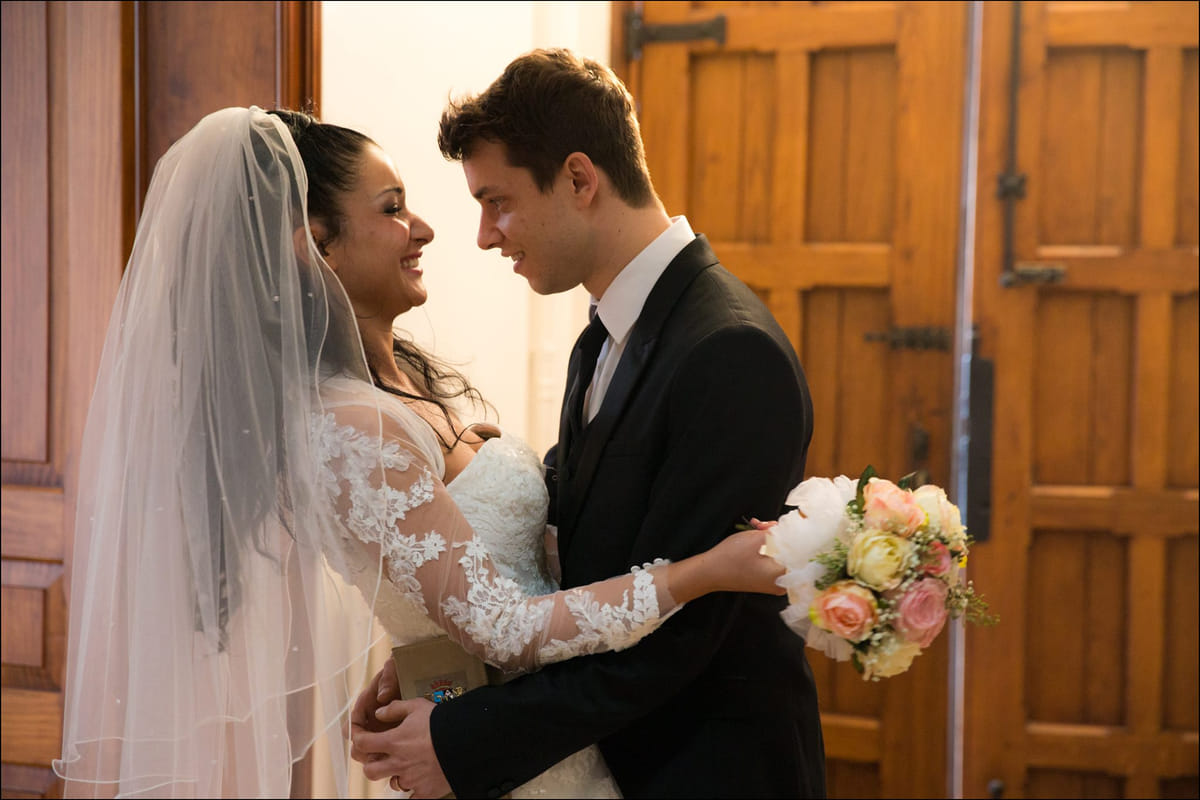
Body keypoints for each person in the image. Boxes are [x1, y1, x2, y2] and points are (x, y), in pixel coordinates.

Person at [51, 105, 787, 799]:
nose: (425, 228)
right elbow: (505, 626)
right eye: (393, 208)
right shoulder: (349, 428)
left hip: (551, 734)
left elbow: (461, 574)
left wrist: (421, 656)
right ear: (314, 245)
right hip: (524, 759)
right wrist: (707, 569)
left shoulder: (398, 384)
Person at [349, 48, 826, 799]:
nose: (484, 235)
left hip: (705, 769)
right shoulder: (603, 332)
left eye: (497, 201)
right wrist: (436, 659)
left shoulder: (729, 350)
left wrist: (463, 741)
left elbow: (681, 638)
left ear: (578, 179)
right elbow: (582, 550)